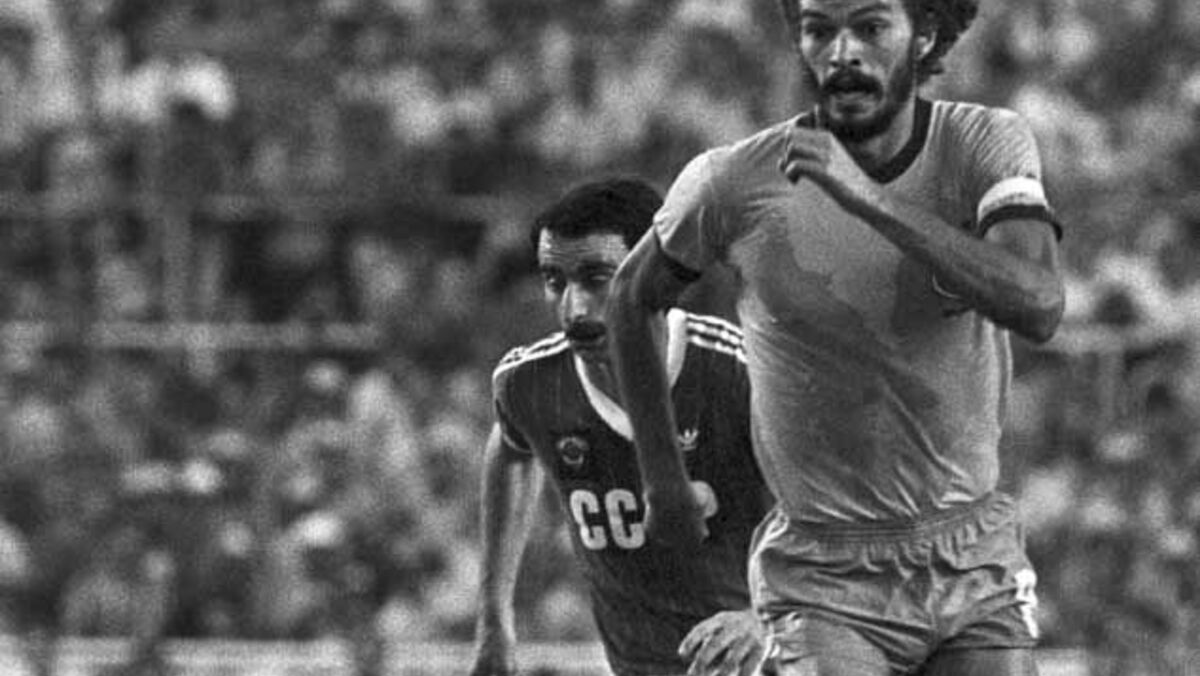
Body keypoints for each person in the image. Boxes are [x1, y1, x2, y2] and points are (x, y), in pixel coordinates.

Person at [607, 1, 1066, 675]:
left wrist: (869, 198)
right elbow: (629, 297)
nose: (843, 52)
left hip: (970, 551)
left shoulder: (982, 144)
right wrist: (662, 479)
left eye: (871, 28)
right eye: (820, 29)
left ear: (924, 35)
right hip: (823, 571)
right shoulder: (733, 181)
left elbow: (1039, 304)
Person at [470, 178, 773, 676]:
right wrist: (494, 619)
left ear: (653, 274)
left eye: (596, 278)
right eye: (555, 281)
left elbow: (829, 508)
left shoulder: (739, 373)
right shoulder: (530, 384)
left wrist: (766, 614)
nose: (574, 309)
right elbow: (509, 449)